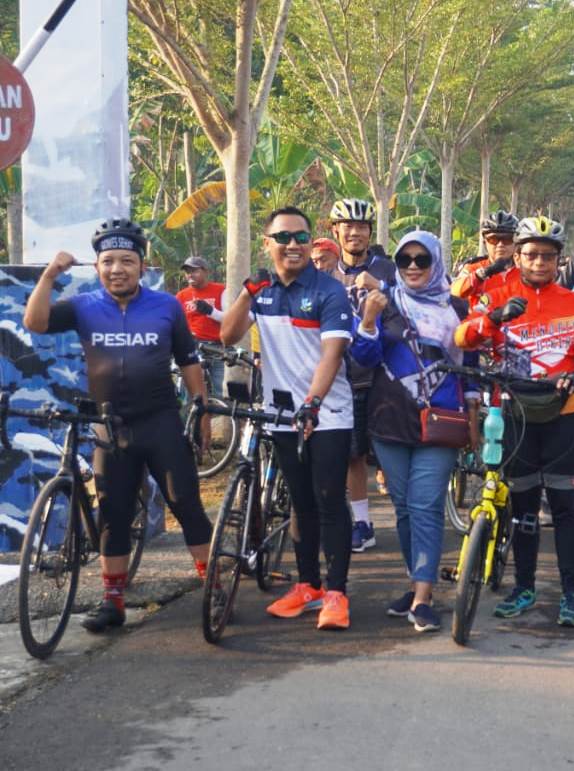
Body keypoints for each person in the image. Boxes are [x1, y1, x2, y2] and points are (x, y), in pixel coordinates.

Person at [23, 219, 213, 632]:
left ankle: (212, 582)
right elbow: (34, 323)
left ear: (141, 266)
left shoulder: (166, 306)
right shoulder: (85, 306)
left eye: (126, 260)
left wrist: (202, 412)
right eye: (108, 261)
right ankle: (113, 601)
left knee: (186, 503)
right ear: (97, 267)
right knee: (113, 513)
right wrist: (50, 275)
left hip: (160, 422)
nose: (117, 269)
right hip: (110, 426)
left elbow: (188, 361)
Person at [456, 215, 574, 627]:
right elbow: (462, 337)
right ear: (517, 256)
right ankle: (524, 587)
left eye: (548, 256)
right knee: (522, 507)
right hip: (515, 412)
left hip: (564, 412)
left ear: (559, 260)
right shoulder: (496, 295)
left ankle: (572, 594)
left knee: (562, 509)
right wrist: (495, 318)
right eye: (531, 254)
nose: (539, 262)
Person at [221, 206, 356, 631]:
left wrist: (313, 403)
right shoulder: (262, 292)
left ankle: (337, 593)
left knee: (329, 501)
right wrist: (247, 292)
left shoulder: (329, 291)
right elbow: (228, 334)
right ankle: (308, 586)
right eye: (283, 238)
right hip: (281, 415)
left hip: (327, 414)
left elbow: (332, 353)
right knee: (300, 504)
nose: (293, 245)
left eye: (301, 237)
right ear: (269, 244)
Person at [350, 230, 480, 633]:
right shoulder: (385, 303)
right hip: (390, 418)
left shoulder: (457, 307)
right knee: (404, 507)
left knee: (425, 505)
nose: (412, 267)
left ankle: (423, 598)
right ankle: (415, 581)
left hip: (441, 419)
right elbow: (363, 356)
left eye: (421, 260)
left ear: (436, 262)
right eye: (405, 259)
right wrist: (368, 320)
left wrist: (475, 420)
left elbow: (471, 369)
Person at [327, 198, 396, 553]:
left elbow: (410, 304)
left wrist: (381, 288)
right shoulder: (326, 275)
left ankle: (410, 518)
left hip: (384, 376)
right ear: (335, 230)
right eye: (348, 226)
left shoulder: (387, 269)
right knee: (352, 455)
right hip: (342, 377)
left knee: (390, 451)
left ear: (371, 232)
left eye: (362, 227)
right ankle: (363, 523)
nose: (355, 232)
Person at [176, 256, 226, 392]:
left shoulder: (221, 290)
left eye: (194, 270)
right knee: (189, 389)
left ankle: (218, 412)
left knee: (218, 390)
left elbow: (231, 319)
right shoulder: (181, 296)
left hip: (216, 348)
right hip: (192, 347)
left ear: (206, 272)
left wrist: (211, 311)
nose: (190, 275)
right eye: (187, 272)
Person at [451, 209, 520, 305]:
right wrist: (483, 273)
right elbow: (454, 291)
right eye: (493, 239)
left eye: (507, 239)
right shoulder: (473, 268)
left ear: (516, 243)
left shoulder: (526, 271)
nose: (500, 245)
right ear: (485, 243)